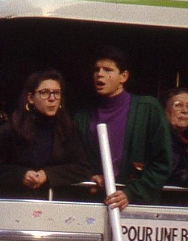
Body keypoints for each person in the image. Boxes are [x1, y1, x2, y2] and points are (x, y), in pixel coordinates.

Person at [73, 45, 172, 210]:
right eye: (97, 69)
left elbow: (163, 163)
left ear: (123, 76)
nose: (100, 74)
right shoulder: (82, 117)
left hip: (138, 209)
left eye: (108, 70)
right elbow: (76, 161)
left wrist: (131, 192)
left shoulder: (148, 109)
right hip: (95, 206)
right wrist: (91, 176)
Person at [0, 69, 87, 197]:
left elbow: (83, 168)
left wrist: (48, 174)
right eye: (44, 93)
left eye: (56, 93)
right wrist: (21, 174)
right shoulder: (9, 131)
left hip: (57, 204)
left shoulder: (68, 129)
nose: (52, 98)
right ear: (30, 98)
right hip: (18, 202)